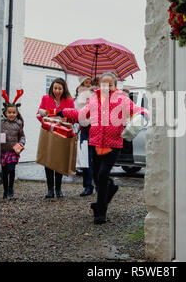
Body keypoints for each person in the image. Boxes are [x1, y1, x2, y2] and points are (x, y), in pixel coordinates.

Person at [58, 72, 148, 224]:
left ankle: (100, 210)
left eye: (110, 85)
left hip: (113, 145)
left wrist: (144, 116)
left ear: (115, 86)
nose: (106, 87)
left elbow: (139, 111)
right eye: (103, 84)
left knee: (102, 174)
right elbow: (81, 115)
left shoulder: (122, 100)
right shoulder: (93, 100)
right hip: (95, 143)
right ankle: (110, 188)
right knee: (96, 177)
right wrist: (63, 112)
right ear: (99, 85)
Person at [36, 77, 74, 198]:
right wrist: (47, 120)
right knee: (48, 161)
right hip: (48, 132)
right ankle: (50, 190)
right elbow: (39, 114)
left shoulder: (69, 100)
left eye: (59, 88)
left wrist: (66, 119)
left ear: (64, 89)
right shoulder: (45, 98)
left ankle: (58, 189)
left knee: (59, 161)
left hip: (62, 133)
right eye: (55, 88)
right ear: (52, 88)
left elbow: (73, 116)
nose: (57, 91)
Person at [0, 91, 25, 200]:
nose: (11, 114)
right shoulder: (1, 123)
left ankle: (11, 188)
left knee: (11, 169)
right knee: (4, 172)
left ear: (16, 113)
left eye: (13, 112)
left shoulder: (18, 124)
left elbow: (22, 136)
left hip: (13, 152)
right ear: (5, 113)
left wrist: (21, 144)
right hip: (3, 151)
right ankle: (5, 191)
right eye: (9, 112)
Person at [75, 76, 95, 196]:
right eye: (85, 83)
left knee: (96, 159)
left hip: (96, 129)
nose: (87, 85)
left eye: (89, 83)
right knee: (85, 159)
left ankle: (98, 184)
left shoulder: (97, 95)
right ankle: (88, 186)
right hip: (84, 130)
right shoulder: (79, 96)